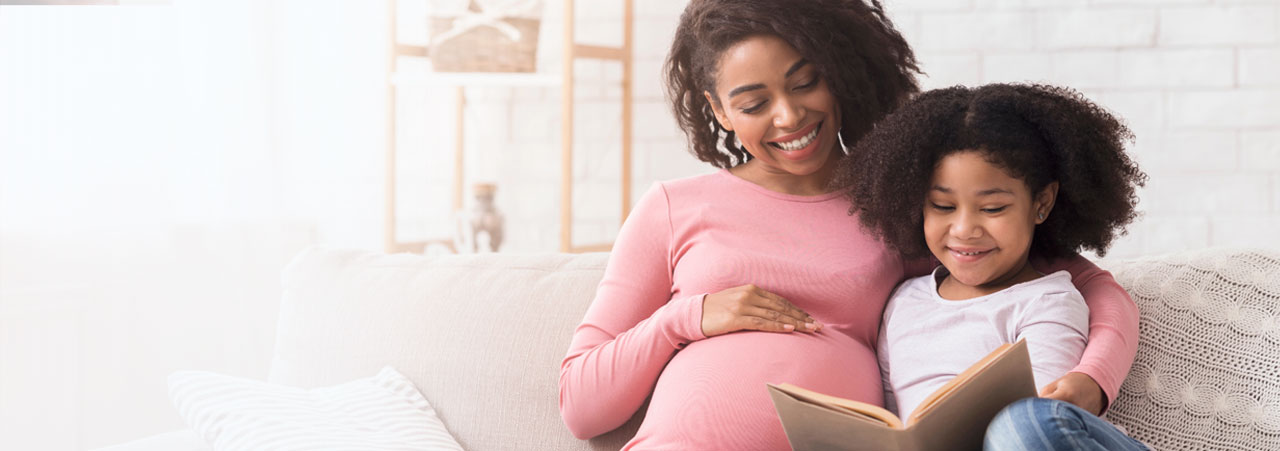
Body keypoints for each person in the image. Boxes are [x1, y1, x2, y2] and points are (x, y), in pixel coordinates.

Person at [558, 1, 1139, 449]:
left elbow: (1089, 286)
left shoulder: (897, 201)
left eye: (805, 81)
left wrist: (1095, 377)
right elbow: (582, 405)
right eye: (754, 102)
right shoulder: (671, 207)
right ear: (719, 110)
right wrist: (688, 318)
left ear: (837, 72)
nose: (789, 116)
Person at [836, 83, 1148, 450]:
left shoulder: (1048, 301)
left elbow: (1040, 421)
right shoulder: (903, 301)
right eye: (942, 206)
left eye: (993, 209)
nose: (965, 229)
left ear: (1041, 203)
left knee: (1024, 422)